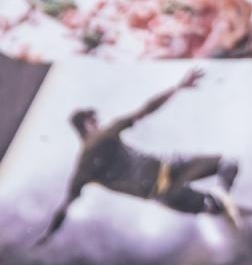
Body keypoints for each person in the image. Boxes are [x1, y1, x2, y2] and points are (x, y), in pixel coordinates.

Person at [37, 67, 240, 244]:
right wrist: (178, 87)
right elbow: (145, 109)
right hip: (169, 168)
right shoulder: (103, 136)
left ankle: (217, 203)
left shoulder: (81, 170)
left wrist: (48, 234)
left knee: (212, 208)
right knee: (228, 162)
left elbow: (64, 207)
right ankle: (221, 191)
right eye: (95, 121)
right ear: (87, 125)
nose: (99, 124)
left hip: (161, 193)